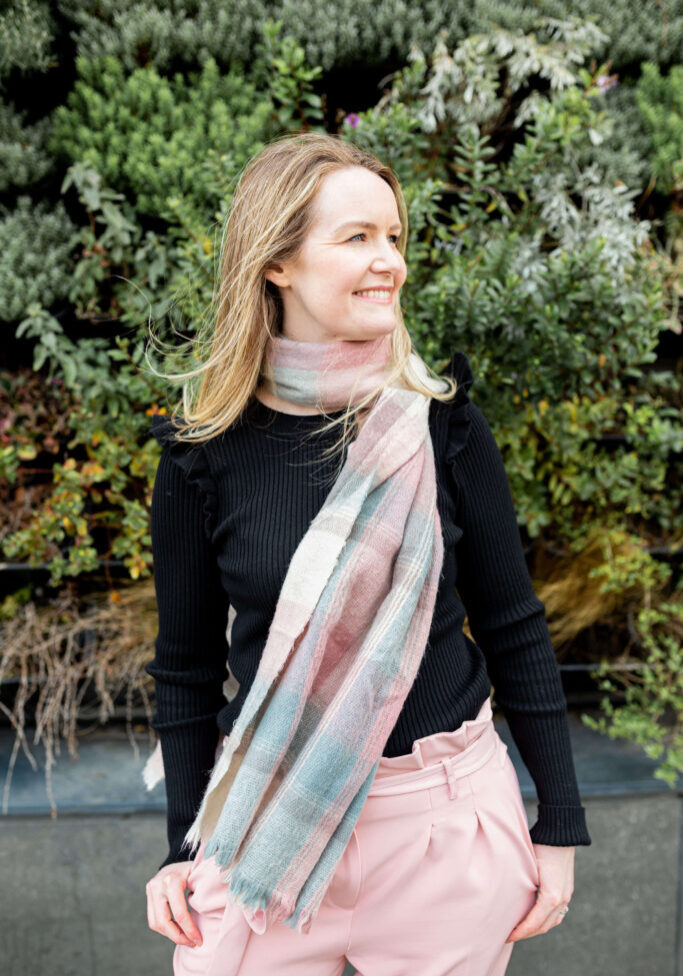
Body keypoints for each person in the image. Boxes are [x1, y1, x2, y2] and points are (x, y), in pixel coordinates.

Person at [143, 131, 591, 976]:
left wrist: (558, 823)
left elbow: (514, 626)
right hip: (260, 834)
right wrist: (180, 846)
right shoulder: (202, 454)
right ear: (276, 263)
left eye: (394, 238)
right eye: (356, 238)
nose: (388, 260)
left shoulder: (440, 425)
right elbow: (186, 669)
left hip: (441, 834)